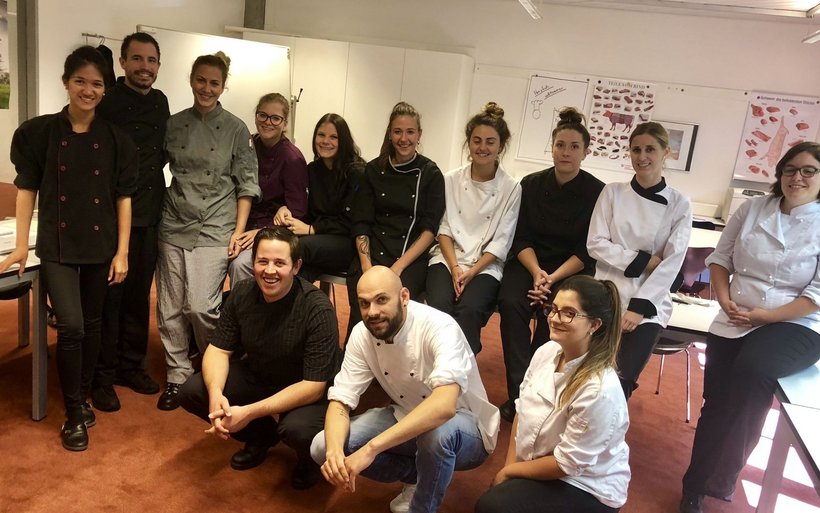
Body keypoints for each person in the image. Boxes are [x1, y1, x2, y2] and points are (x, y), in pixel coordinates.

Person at [1, 46, 137, 450]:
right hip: (56, 246)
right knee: (73, 326)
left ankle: (82, 397)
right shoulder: (39, 132)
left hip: (100, 243)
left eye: (96, 83)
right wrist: (22, 245)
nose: (88, 90)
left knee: (92, 325)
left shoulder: (115, 139)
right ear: (66, 82)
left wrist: (122, 252)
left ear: (105, 89)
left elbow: (123, 198)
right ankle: (75, 411)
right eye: (80, 81)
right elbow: (26, 189)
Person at [678, 141, 820, 513]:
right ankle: (695, 486)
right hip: (736, 313)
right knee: (716, 402)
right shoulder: (753, 209)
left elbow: (817, 293)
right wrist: (723, 299)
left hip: (798, 321)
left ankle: (724, 474)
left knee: (752, 371)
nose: (797, 177)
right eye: (790, 169)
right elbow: (720, 259)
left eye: (809, 170)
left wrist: (765, 317)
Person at [311, 266, 500, 513]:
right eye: (364, 304)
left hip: (466, 427)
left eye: (381, 300)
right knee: (321, 447)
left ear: (404, 297)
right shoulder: (361, 334)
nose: (372, 312)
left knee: (437, 434)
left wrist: (371, 449)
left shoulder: (440, 326)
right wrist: (335, 453)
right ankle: (416, 476)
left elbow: (444, 407)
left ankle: (422, 508)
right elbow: (340, 401)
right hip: (405, 412)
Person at [178, 227, 341, 489]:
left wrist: (248, 412)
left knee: (296, 430)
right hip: (260, 373)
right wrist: (216, 394)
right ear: (253, 262)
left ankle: (309, 459)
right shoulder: (242, 292)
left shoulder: (317, 308)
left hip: (306, 387)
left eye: (280, 263)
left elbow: (314, 386)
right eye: (262, 261)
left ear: (296, 266)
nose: (269, 271)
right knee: (193, 391)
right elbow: (218, 350)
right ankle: (261, 436)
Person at [155, 51, 261, 411]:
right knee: (170, 306)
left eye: (214, 83)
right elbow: (155, 168)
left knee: (201, 307)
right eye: (201, 80)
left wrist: (239, 230)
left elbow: (247, 184)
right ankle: (177, 375)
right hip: (173, 222)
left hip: (216, 225)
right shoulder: (174, 124)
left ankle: (212, 365)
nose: (206, 88)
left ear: (223, 86)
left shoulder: (236, 129)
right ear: (191, 80)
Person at [476, 275, 630, 513]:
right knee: (498, 497)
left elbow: (566, 464)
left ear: (594, 325)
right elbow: (521, 411)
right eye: (553, 309)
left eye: (569, 313)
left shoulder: (599, 389)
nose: (555, 318)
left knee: (494, 507)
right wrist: (509, 470)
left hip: (585, 483)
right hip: (544, 462)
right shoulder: (547, 351)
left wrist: (509, 473)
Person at [497, 107, 605, 422]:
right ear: (552, 148)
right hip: (530, 263)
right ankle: (518, 393)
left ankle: (539, 391)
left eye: (574, 146)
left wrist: (552, 278)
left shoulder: (597, 192)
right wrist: (537, 274)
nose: (566, 152)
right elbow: (520, 237)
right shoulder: (530, 184)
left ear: (585, 151)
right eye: (560, 145)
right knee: (511, 302)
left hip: (570, 269)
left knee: (557, 315)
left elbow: (587, 249)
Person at [90, 32, 170, 411]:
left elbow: (162, 154)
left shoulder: (161, 102)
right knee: (110, 299)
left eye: (151, 60)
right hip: (112, 217)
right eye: (137, 59)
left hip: (150, 214)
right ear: (122, 62)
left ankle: (131, 365)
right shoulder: (105, 102)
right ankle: (102, 375)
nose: (144, 67)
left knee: (139, 296)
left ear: (158, 66)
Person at [587, 121, 692, 400]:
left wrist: (638, 308)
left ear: (666, 152)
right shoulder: (612, 192)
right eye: (636, 150)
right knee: (589, 375)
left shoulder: (680, 204)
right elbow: (595, 244)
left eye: (650, 149)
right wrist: (645, 261)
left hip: (648, 302)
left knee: (619, 380)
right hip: (606, 293)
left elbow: (671, 262)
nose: (642, 156)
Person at [426, 102, 521, 355]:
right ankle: (437, 361)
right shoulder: (451, 179)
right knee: (439, 305)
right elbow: (444, 229)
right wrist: (456, 267)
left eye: (490, 142)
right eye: (477, 140)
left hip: (485, 265)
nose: (482, 147)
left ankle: (459, 367)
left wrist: (472, 271)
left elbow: (502, 241)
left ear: (501, 146)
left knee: (469, 309)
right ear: (468, 142)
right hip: (447, 259)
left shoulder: (511, 188)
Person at [346, 101, 445, 337]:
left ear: (419, 134)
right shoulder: (372, 169)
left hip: (410, 257)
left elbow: (429, 230)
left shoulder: (431, 173)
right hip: (372, 252)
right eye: (398, 131)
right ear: (390, 134)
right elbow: (361, 222)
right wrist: (367, 267)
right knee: (362, 307)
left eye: (410, 132)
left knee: (397, 311)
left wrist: (397, 267)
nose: (404, 138)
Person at [228, 92, 308, 284]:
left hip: (273, 230)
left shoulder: (292, 158)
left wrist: (262, 231)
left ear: (285, 124)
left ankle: (245, 304)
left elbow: (297, 211)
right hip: (241, 223)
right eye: (262, 115)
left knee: (240, 264)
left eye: (275, 118)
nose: (267, 122)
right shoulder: (248, 145)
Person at [278, 113, 366, 281]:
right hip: (320, 242)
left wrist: (312, 229)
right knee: (298, 273)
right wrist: (284, 209)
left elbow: (352, 222)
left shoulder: (357, 172)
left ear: (344, 140)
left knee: (298, 247)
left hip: (348, 242)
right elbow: (305, 207)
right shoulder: (312, 169)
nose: (326, 141)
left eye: (334, 137)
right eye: (321, 135)